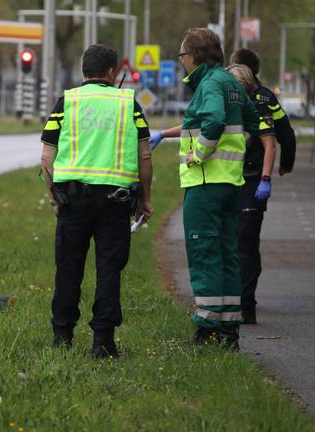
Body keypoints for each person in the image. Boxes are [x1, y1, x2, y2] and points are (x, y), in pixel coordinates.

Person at [148, 28, 260, 349]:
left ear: (194, 55)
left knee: (204, 254)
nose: (181, 62)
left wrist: (198, 154)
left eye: (182, 55)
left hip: (206, 182)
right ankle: (228, 330)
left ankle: (207, 330)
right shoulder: (230, 83)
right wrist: (235, 155)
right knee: (227, 255)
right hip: (230, 182)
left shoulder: (210, 84)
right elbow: (253, 123)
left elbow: (212, 120)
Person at [40, 44, 153, 359]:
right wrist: (146, 198)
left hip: (72, 200)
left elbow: (47, 157)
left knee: (68, 267)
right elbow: (145, 154)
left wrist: (54, 198)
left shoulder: (67, 102)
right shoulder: (128, 104)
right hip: (115, 202)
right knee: (109, 269)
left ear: (83, 72)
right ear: (112, 72)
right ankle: (103, 342)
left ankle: (62, 336)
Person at [229, 49, 297, 324]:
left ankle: (244, 304)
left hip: (242, 175)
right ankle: (244, 301)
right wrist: (287, 164)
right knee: (246, 241)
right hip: (253, 176)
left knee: (240, 240)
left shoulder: (235, 95)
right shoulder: (269, 97)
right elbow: (287, 133)